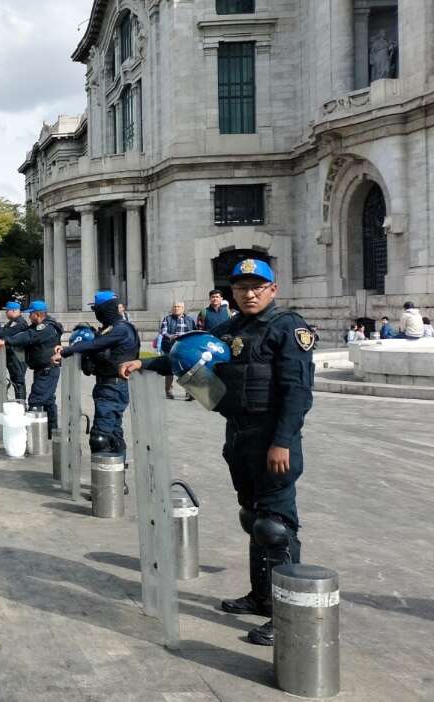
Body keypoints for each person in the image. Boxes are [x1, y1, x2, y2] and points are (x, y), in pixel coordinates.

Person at [120, 258, 313, 646]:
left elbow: (298, 393)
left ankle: (286, 613)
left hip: (273, 438)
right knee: (253, 517)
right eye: (241, 287)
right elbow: (189, 356)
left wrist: (282, 442)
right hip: (239, 434)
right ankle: (261, 596)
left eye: (258, 286)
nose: (249, 293)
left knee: (275, 526)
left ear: (273, 290)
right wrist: (145, 362)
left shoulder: (288, 328)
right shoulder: (232, 328)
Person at [54, 291, 139, 463]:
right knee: (114, 433)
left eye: (97, 309)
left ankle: (108, 485)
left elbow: (96, 345)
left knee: (101, 437)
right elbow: (95, 351)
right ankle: (116, 482)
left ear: (105, 309)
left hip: (113, 386)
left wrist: (66, 351)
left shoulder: (121, 329)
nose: (96, 313)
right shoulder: (109, 330)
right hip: (105, 385)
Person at [0, 301, 62, 432]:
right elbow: (23, 333)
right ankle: (51, 432)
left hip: (47, 370)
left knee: (36, 401)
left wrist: (7, 341)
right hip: (43, 370)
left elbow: (28, 336)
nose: (29, 317)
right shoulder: (37, 326)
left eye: (31, 314)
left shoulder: (46, 328)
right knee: (48, 401)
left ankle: (33, 436)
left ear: (38, 314)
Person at [0, 301, 29, 400]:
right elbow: (2, 332)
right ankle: (19, 402)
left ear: (14, 311)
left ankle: (21, 404)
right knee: (15, 379)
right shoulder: (12, 322)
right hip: (12, 355)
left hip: (18, 356)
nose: (6, 313)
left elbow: (6, 332)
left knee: (18, 380)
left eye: (7, 311)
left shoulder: (21, 323)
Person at [159, 302, 197, 400]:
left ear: (183, 308)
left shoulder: (189, 320)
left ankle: (189, 392)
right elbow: (163, 331)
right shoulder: (167, 319)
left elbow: (194, 331)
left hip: (185, 348)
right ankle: (169, 391)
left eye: (179, 307)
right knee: (169, 370)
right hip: (170, 347)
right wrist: (171, 336)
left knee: (187, 370)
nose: (176, 308)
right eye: (175, 307)